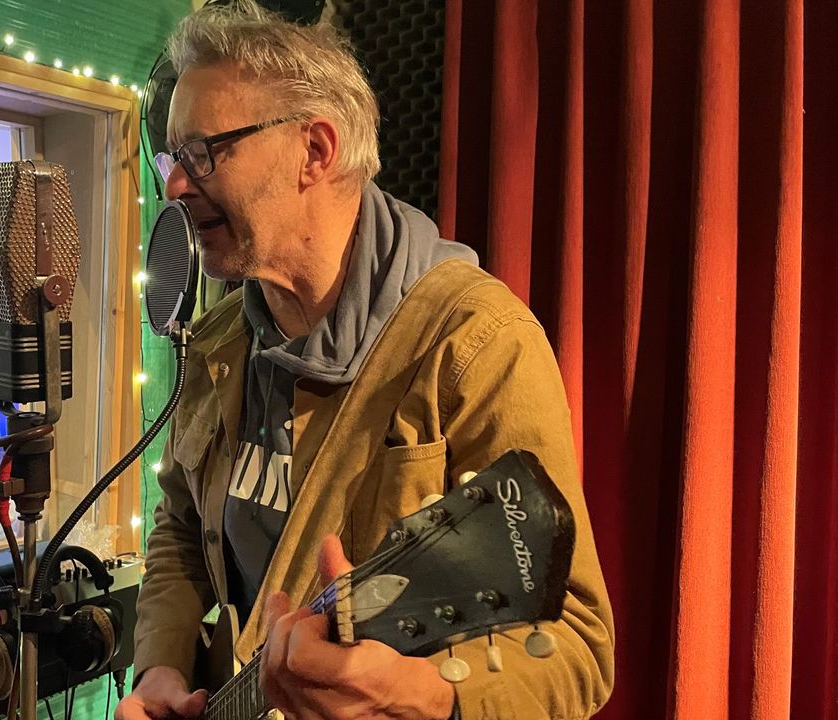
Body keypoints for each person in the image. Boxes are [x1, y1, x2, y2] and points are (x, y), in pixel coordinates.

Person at [119, 3, 614, 720]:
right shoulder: (219, 337)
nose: (174, 185)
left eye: (203, 152)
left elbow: (578, 647)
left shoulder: (475, 342)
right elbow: (180, 529)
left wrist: (425, 699)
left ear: (314, 151)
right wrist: (159, 667)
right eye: (175, 158)